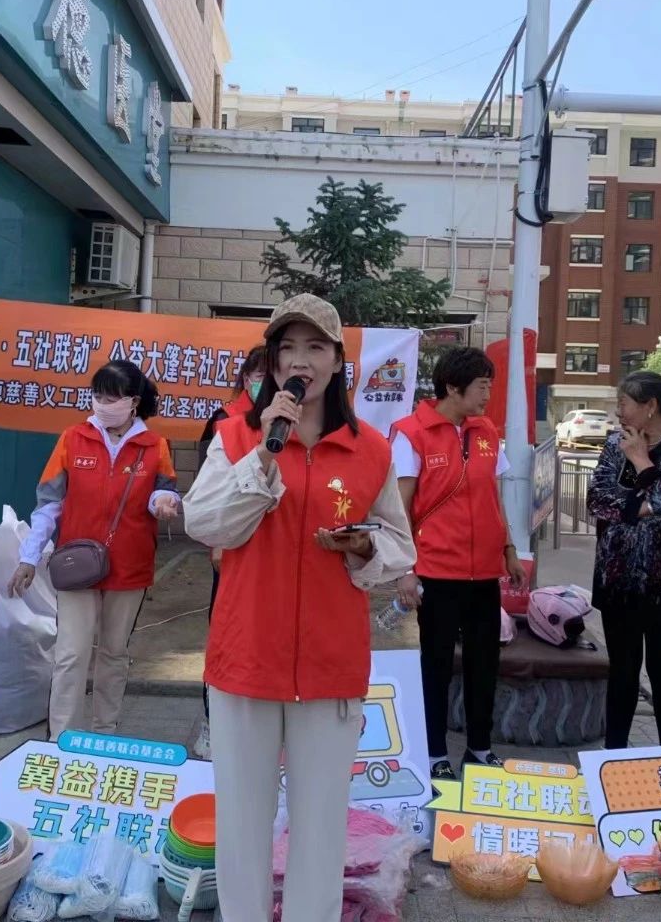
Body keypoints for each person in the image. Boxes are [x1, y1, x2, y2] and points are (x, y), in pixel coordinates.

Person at [183, 294, 415, 922]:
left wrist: (364, 545)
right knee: (242, 823)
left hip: (330, 664)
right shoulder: (236, 435)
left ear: (338, 361)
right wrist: (264, 454)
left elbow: (400, 545)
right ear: (272, 363)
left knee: (320, 826)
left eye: (315, 347)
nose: (300, 361)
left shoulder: (371, 450)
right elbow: (206, 524)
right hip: (246, 658)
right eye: (287, 348)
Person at [8, 360, 181, 740]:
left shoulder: (155, 446)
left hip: (130, 566)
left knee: (114, 653)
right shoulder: (73, 439)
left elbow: (163, 492)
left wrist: (164, 503)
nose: (102, 405)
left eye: (111, 398)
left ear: (133, 402)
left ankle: (105, 733)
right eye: (98, 396)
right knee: (71, 654)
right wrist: (29, 557)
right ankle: (62, 738)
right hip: (77, 564)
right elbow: (48, 503)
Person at [390, 347, 525, 781]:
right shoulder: (411, 433)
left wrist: (508, 549)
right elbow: (399, 508)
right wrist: (405, 570)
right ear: (452, 387)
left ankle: (480, 749)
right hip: (436, 571)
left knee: (485, 664)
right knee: (436, 665)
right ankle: (434, 754)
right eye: (482, 385)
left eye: (490, 385)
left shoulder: (486, 431)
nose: (488, 394)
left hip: (484, 571)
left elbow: (494, 498)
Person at [587, 372, 661, 749]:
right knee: (621, 672)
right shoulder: (614, 444)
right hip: (618, 576)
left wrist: (640, 460)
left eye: (623, 404)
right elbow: (596, 501)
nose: (618, 412)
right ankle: (613, 757)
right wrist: (643, 506)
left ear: (650, 406)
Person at [191, 343, 266, 760]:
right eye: (257, 375)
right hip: (233, 547)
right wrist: (216, 542)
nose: (263, 383)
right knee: (225, 635)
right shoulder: (223, 420)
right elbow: (207, 492)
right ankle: (211, 721)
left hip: (273, 554)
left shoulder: (299, 421)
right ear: (245, 378)